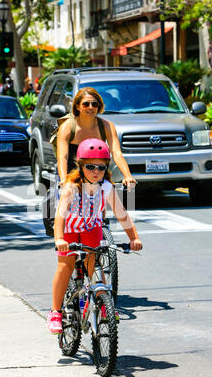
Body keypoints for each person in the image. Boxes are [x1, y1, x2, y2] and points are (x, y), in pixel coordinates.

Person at [47, 138, 142, 334]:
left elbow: (122, 214)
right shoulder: (71, 187)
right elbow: (59, 217)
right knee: (66, 265)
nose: (96, 171)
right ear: (81, 166)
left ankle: (105, 307)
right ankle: (55, 312)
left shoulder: (106, 187)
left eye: (101, 167)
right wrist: (59, 239)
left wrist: (134, 238)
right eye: (90, 167)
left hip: (92, 228)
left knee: (94, 266)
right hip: (70, 230)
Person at [56, 87, 137, 190]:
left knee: (105, 203)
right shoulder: (67, 127)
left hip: (96, 175)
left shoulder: (107, 126)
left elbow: (117, 153)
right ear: (77, 106)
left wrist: (128, 176)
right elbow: (63, 157)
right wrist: (64, 180)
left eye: (94, 104)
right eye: (86, 104)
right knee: (66, 203)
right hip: (71, 176)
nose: (91, 107)